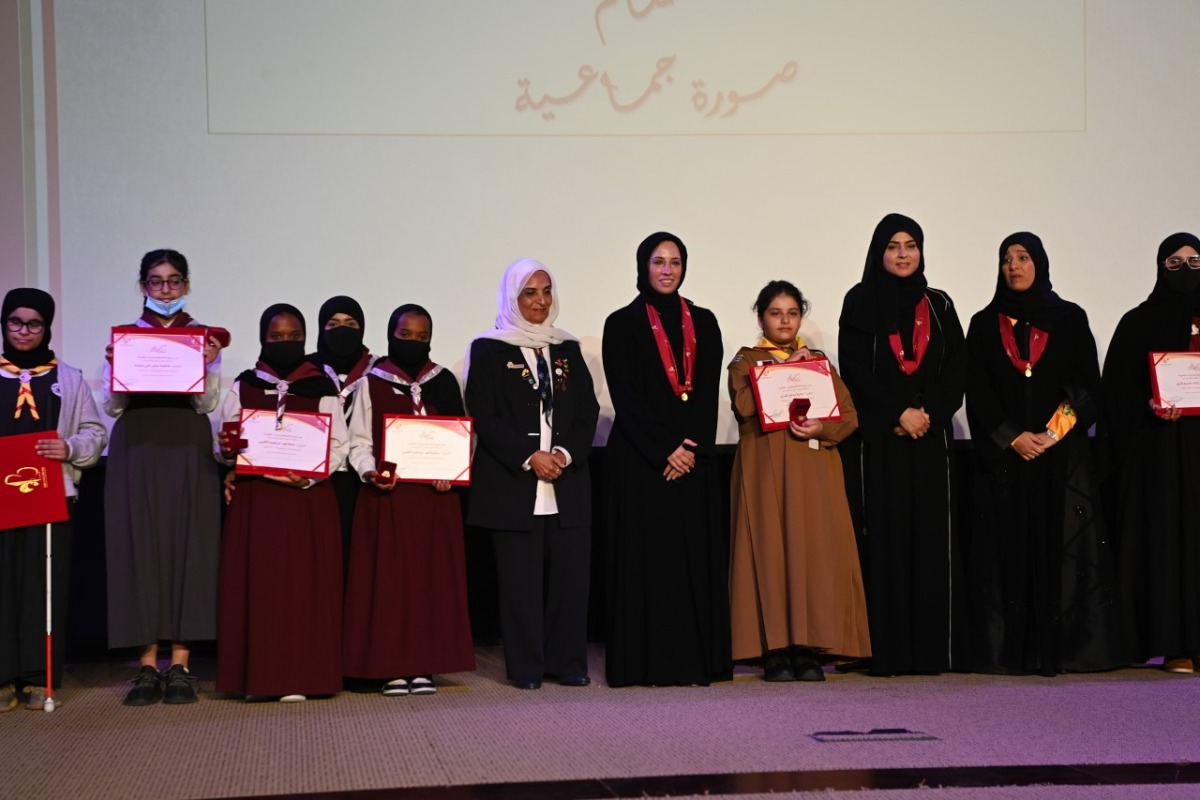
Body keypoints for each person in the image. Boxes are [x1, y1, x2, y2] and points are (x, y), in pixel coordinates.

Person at [965, 232, 1129, 675]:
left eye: (1023, 257)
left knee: (1064, 550)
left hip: (1061, 458)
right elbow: (977, 390)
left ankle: (1069, 650)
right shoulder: (983, 324)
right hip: (1006, 459)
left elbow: (1087, 384)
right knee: (1007, 549)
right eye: (1006, 259)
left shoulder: (1070, 318)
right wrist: (1013, 436)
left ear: (1040, 263)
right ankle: (1008, 652)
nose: (1014, 266)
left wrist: (1051, 434)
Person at [838, 214, 971, 675]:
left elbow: (957, 368)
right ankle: (888, 651)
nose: (902, 254)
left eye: (910, 245)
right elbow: (855, 369)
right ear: (879, 252)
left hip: (930, 439)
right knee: (887, 543)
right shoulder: (859, 301)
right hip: (882, 442)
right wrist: (898, 414)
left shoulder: (939, 303)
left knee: (931, 542)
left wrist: (926, 414)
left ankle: (933, 652)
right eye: (892, 246)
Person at [602, 232, 732, 687]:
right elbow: (625, 398)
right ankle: (645, 665)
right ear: (643, 266)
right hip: (642, 462)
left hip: (692, 461)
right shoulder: (621, 323)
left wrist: (689, 448)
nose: (667, 270)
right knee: (648, 565)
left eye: (675, 262)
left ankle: (694, 661)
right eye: (658, 261)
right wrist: (665, 449)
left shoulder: (705, 321)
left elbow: (706, 391)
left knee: (691, 561)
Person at [466, 260, 599, 690]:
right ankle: (526, 667)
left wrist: (563, 453)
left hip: (566, 483)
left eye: (546, 291)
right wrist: (529, 456)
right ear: (512, 297)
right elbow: (483, 414)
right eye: (529, 292)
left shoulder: (567, 347)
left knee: (570, 582)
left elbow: (588, 411)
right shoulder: (488, 348)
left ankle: (569, 663)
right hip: (514, 484)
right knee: (519, 585)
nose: (540, 301)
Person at [728, 280, 870, 682]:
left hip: (814, 468)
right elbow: (743, 406)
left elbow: (848, 416)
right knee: (770, 551)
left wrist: (821, 427)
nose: (785, 321)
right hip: (765, 470)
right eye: (775, 313)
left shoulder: (819, 362)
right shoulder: (745, 360)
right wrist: (786, 369)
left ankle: (809, 646)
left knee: (813, 552)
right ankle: (774, 650)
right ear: (761, 319)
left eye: (792, 313)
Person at [102, 249, 226, 706]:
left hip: (187, 443)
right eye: (156, 281)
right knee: (140, 546)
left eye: (174, 281)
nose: (166, 290)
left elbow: (206, 404)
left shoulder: (202, 338)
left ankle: (181, 665)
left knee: (188, 545)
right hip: (137, 444)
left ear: (186, 286)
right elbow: (113, 406)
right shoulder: (125, 338)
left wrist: (207, 363)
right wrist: (115, 365)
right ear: (143, 287)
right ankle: (147, 665)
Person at [216, 304, 348, 701]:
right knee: (262, 588)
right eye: (277, 337)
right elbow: (223, 444)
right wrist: (228, 452)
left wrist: (310, 475)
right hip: (257, 499)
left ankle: (302, 677)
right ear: (263, 338)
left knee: (304, 590)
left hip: (307, 499)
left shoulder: (322, 387)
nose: (285, 343)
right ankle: (260, 677)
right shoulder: (243, 385)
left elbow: (339, 445)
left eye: (294, 337)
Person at [343, 304, 475, 696]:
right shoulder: (370, 383)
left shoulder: (444, 380)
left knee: (430, 583)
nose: (414, 342)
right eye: (406, 335)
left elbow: (463, 436)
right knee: (391, 584)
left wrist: (452, 471)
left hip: (435, 500)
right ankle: (392, 666)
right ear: (390, 335)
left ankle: (424, 665)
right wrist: (369, 471)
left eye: (422, 337)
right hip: (389, 497)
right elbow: (359, 441)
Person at [0, 289, 106, 711]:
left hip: (49, 495)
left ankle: (36, 675)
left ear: (46, 328)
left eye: (34, 324)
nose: (24, 331)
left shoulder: (69, 378)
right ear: (4, 324)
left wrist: (69, 447)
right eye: (15, 322)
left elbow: (94, 433)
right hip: (1, 494)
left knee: (42, 586)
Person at [1102, 233, 1200, 673]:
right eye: (1174, 263)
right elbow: (1114, 390)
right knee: (1166, 541)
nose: (1185, 270)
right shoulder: (1137, 322)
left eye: (1194, 262)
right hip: (1157, 453)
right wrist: (1149, 403)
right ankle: (1174, 643)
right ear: (1160, 268)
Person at [308, 296, 376, 576]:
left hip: (365, 482)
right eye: (333, 324)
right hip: (317, 480)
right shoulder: (305, 370)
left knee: (360, 560)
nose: (342, 330)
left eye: (351, 324)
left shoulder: (380, 371)